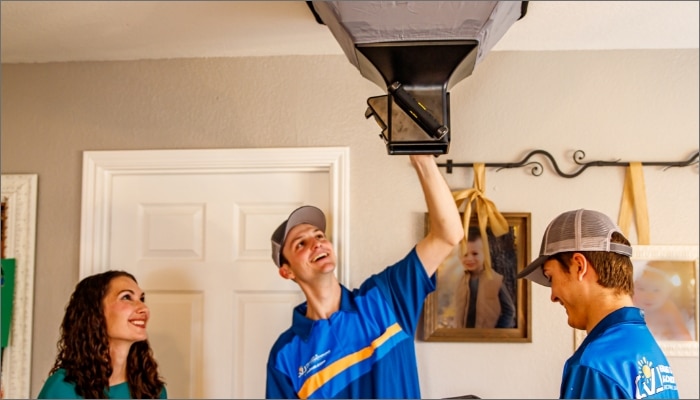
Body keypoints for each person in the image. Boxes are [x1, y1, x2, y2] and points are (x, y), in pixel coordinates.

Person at [265, 154, 463, 399]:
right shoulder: (285, 355)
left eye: (319, 236)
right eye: (300, 244)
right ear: (287, 271)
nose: (317, 244)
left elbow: (448, 235)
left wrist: (422, 160)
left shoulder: (384, 297)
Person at [517, 209, 679, 399]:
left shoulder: (594, 364)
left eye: (550, 277)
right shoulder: (647, 349)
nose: (552, 296)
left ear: (579, 266)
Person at [38, 270, 167, 399]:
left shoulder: (152, 389)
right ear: (95, 313)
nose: (144, 308)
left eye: (141, 299)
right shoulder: (63, 388)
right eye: (126, 297)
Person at [453, 227, 516, 328]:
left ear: (485, 255)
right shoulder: (461, 281)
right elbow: (458, 311)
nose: (469, 258)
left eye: (475, 254)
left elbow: (509, 311)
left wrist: (497, 332)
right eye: (465, 254)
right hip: (464, 337)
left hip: (487, 337)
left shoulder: (495, 280)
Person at [633, 262, 693, 341]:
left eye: (656, 290)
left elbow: (684, 337)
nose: (648, 296)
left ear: (668, 292)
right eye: (641, 289)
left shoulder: (668, 309)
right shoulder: (631, 306)